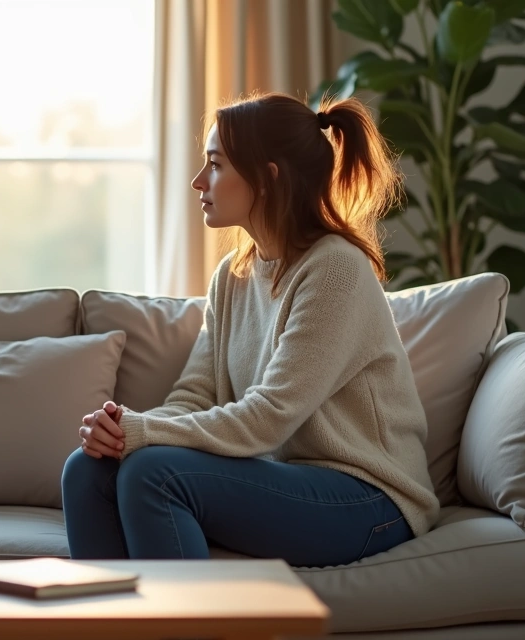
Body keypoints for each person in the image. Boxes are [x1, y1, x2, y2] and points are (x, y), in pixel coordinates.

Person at [61, 92, 440, 568]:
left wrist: (145, 432)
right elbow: (195, 397)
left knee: (153, 473)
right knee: (87, 469)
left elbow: (269, 416)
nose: (199, 181)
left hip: (369, 498)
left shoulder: (335, 270)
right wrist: (124, 434)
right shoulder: (233, 276)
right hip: (283, 482)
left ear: (267, 177)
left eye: (216, 165)